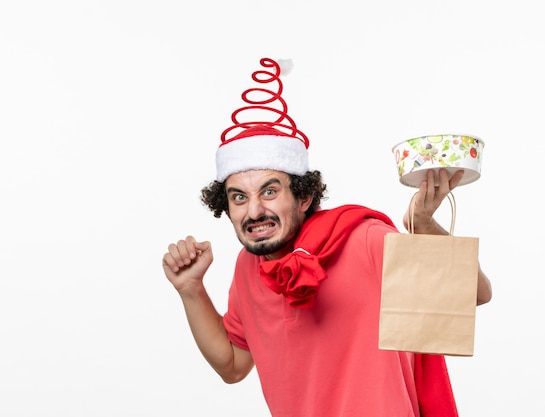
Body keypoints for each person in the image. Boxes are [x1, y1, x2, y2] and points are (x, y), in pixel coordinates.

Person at [162, 57, 492, 417]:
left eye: (270, 192)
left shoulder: (362, 240)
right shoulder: (248, 268)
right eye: (239, 197)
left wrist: (425, 228)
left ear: (304, 197)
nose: (254, 211)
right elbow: (233, 365)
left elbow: (474, 294)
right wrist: (190, 289)